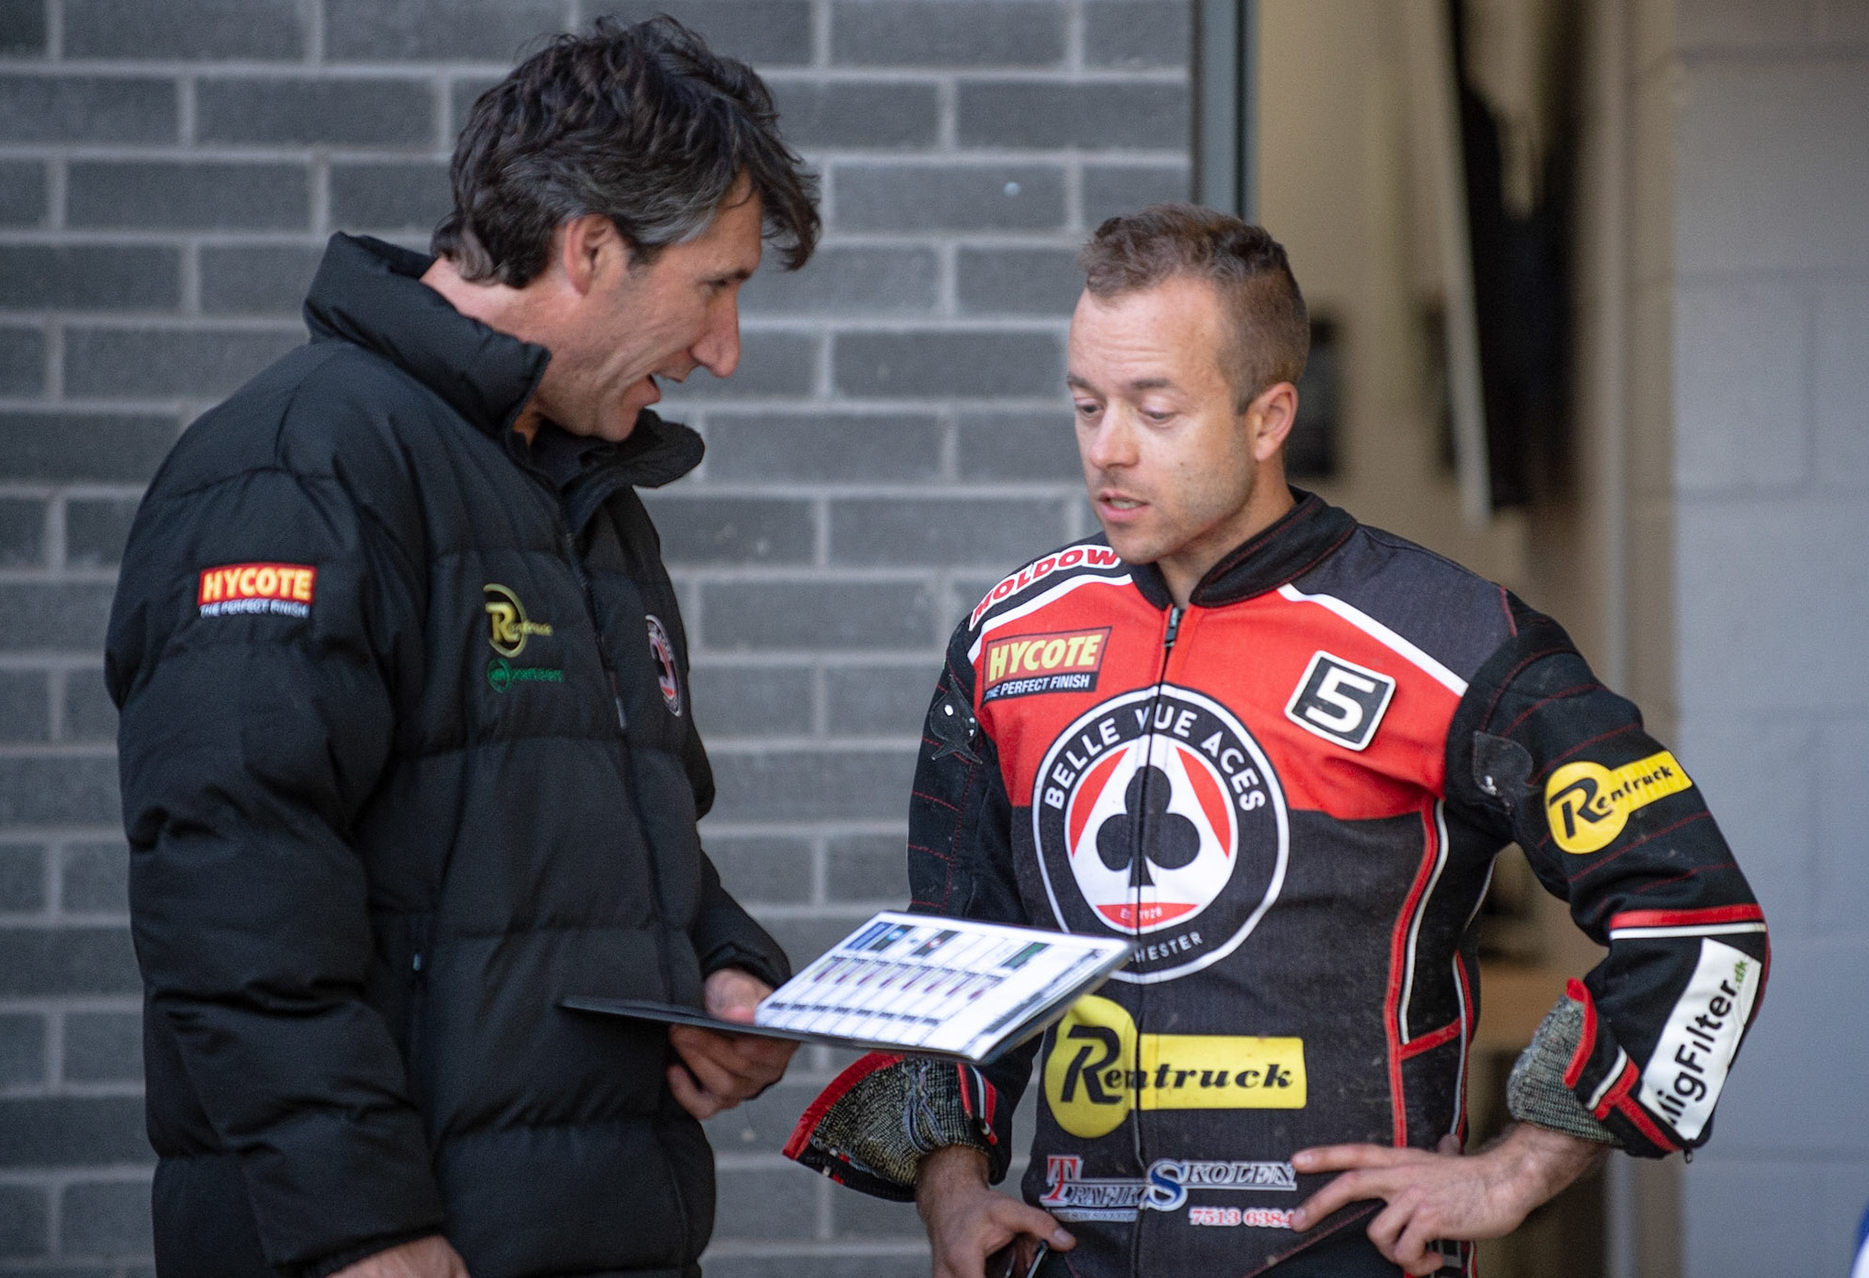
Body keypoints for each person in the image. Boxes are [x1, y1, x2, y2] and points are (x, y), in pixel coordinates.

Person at [784, 205, 1768, 1277]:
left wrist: (1515, 1170)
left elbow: (1701, 924)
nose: (1107, 449)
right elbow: (954, 951)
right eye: (1085, 404)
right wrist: (955, 1194)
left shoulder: (1451, 639)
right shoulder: (1009, 641)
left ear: (1269, 417)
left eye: (1154, 410)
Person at [105, 18, 818, 1278]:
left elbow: (610, 842)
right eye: (717, 285)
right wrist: (362, 1229)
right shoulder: (299, 467)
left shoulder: (585, 500)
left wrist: (724, 970)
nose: (724, 350)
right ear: (590, 246)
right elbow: (233, 889)